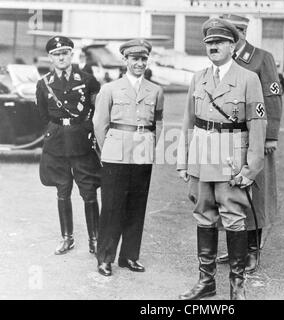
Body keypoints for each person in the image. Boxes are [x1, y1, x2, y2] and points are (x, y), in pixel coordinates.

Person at [176, 18, 266, 300]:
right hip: (202, 155)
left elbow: (258, 127)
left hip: (231, 156)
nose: (213, 47)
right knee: (203, 215)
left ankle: (236, 286)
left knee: (234, 218)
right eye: (209, 43)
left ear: (232, 45)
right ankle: (206, 282)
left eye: (219, 42)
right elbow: (187, 122)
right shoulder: (198, 77)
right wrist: (183, 160)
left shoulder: (248, 79)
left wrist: (251, 170)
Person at [215, 14, 283, 273]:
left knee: (255, 193)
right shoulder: (222, 57)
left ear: (244, 31)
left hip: (254, 136)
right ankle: (236, 249)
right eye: (231, 31)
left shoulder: (261, 58)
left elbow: (272, 97)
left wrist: (271, 136)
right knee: (229, 192)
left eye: (239, 30)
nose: (236, 35)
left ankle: (253, 251)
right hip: (227, 137)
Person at [93, 39, 164, 277]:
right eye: (135, 59)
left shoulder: (156, 91)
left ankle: (129, 256)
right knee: (112, 207)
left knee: (136, 207)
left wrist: (150, 146)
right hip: (115, 154)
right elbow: (99, 124)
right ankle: (105, 258)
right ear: (125, 60)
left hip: (142, 153)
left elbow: (158, 124)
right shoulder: (110, 89)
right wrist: (109, 149)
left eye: (144, 59)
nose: (140, 63)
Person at [36, 36, 101, 255]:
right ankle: (67, 238)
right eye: (55, 54)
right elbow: (43, 114)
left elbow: (97, 110)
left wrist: (87, 130)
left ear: (72, 54)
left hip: (81, 141)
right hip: (56, 143)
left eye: (64, 53)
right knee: (62, 191)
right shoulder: (44, 83)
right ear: (50, 57)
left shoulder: (88, 80)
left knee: (88, 191)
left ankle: (95, 239)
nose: (60, 57)